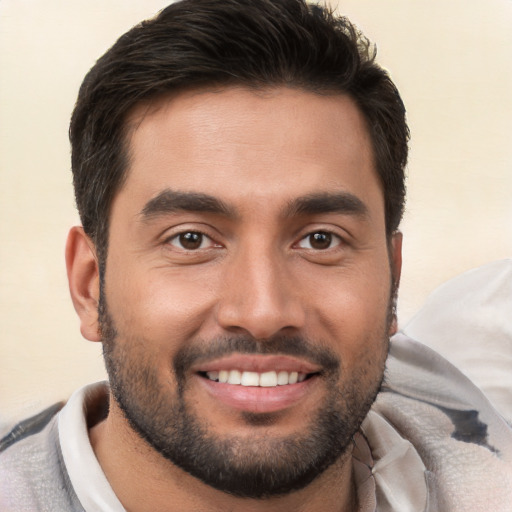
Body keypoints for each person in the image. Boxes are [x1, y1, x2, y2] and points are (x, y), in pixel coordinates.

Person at [0, 0, 510, 510]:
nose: (263, 312)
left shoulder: (472, 407)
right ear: (90, 286)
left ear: (393, 280)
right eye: (191, 240)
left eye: (320, 239)